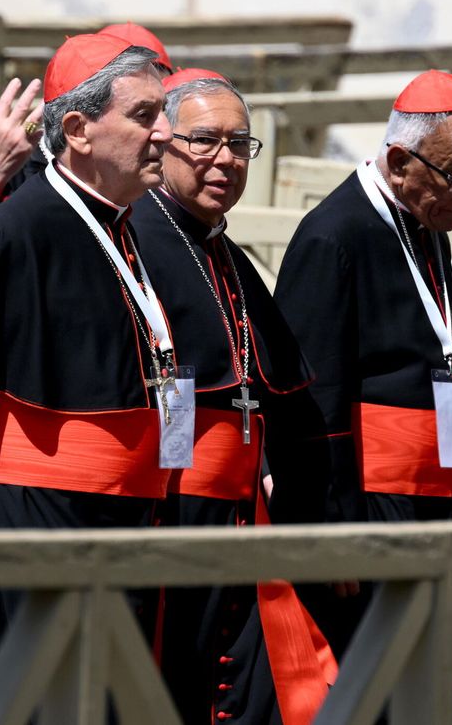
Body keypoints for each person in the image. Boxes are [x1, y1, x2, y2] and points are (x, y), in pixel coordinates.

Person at [0, 34, 174, 723]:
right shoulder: (15, 231)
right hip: (34, 528)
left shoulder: (126, 225)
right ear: (76, 129)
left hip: (125, 521)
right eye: (144, 115)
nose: (165, 131)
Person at [131, 69, 335, 724]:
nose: (226, 158)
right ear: (159, 145)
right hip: (169, 516)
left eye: (240, 144)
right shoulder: (133, 236)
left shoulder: (223, 249)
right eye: (206, 141)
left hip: (241, 515)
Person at [274, 70, 452, 663]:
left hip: (432, 494)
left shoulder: (424, 216)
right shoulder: (333, 236)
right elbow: (314, 400)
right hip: (373, 501)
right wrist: (335, 532)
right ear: (400, 159)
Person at [0, 23, 172, 296]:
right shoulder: (3, 158)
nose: (164, 132)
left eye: (163, 107)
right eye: (142, 113)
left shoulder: (158, 167)